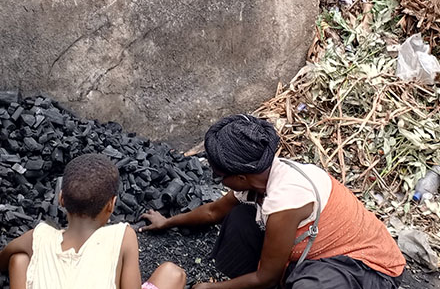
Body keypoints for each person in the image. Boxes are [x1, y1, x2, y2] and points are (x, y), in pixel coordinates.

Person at [140, 114, 406, 289]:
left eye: (220, 176)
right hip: (310, 252)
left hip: (368, 268)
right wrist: (167, 222)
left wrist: (209, 287)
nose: (217, 180)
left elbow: (266, 276)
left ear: (242, 177)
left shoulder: (284, 200)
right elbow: (212, 211)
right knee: (240, 218)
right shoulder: (260, 177)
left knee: (307, 287)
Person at [0, 154, 186, 289]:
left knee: (19, 259)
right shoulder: (122, 236)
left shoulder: (39, 236)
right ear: (111, 205)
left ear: (61, 199)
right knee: (173, 273)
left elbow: (4, 257)